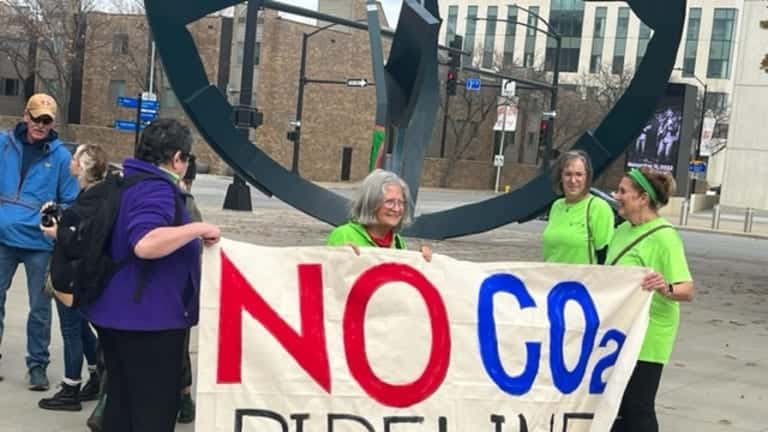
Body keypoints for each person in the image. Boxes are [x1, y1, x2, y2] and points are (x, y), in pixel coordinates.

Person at [81, 118, 220, 432]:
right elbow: (145, 242)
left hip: (114, 313)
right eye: (187, 159)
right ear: (176, 159)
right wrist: (198, 228)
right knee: (152, 412)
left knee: (120, 405)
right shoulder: (157, 189)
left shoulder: (124, 181)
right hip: (148, 320)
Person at [0, 93, 80, 388]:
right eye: (36, 118)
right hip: (3, 238)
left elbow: (71, 200)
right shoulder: (3, 144)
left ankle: (37, 365)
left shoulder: (60, 157)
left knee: (40, 308)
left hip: (39, 244)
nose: (40, 125)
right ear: (25, 116)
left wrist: (53, 218)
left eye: (46, 120)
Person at [608, 167, 694, 432]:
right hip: (621, 330)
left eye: (623, 191)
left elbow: (687, 289)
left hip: (649, 335)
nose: (616, 196)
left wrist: (664, 287)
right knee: (614, 406)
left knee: (637, 406)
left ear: (642, 198)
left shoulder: (665, 238)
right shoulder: (622, 230)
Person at [38, 144, 107, 410]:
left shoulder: (86, 202)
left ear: (84, 166)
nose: (71, 161)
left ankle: (70, 387)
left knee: (70, 330)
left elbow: (79, 239)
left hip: (72, 276)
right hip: (84, 275)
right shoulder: (96, 196)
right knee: (79, 327)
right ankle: (95, 373)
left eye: (76, 157)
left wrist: (55, 231)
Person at [327, 169, 431, 261]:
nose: (397, 209)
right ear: (371, 202)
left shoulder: (399, 244)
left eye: (401, 202)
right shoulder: (344, 235)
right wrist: (338, 257)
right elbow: (327, 274)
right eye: (389, 202)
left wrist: (421, 261)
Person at [542, 150, 615, 265]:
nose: (573, 180)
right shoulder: (556, 206)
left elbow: (605, 257)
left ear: (587, 177)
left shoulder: (598, 208)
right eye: (568, 174)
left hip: (581, 281)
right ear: (560, 176)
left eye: (579, 174)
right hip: (552, 280)